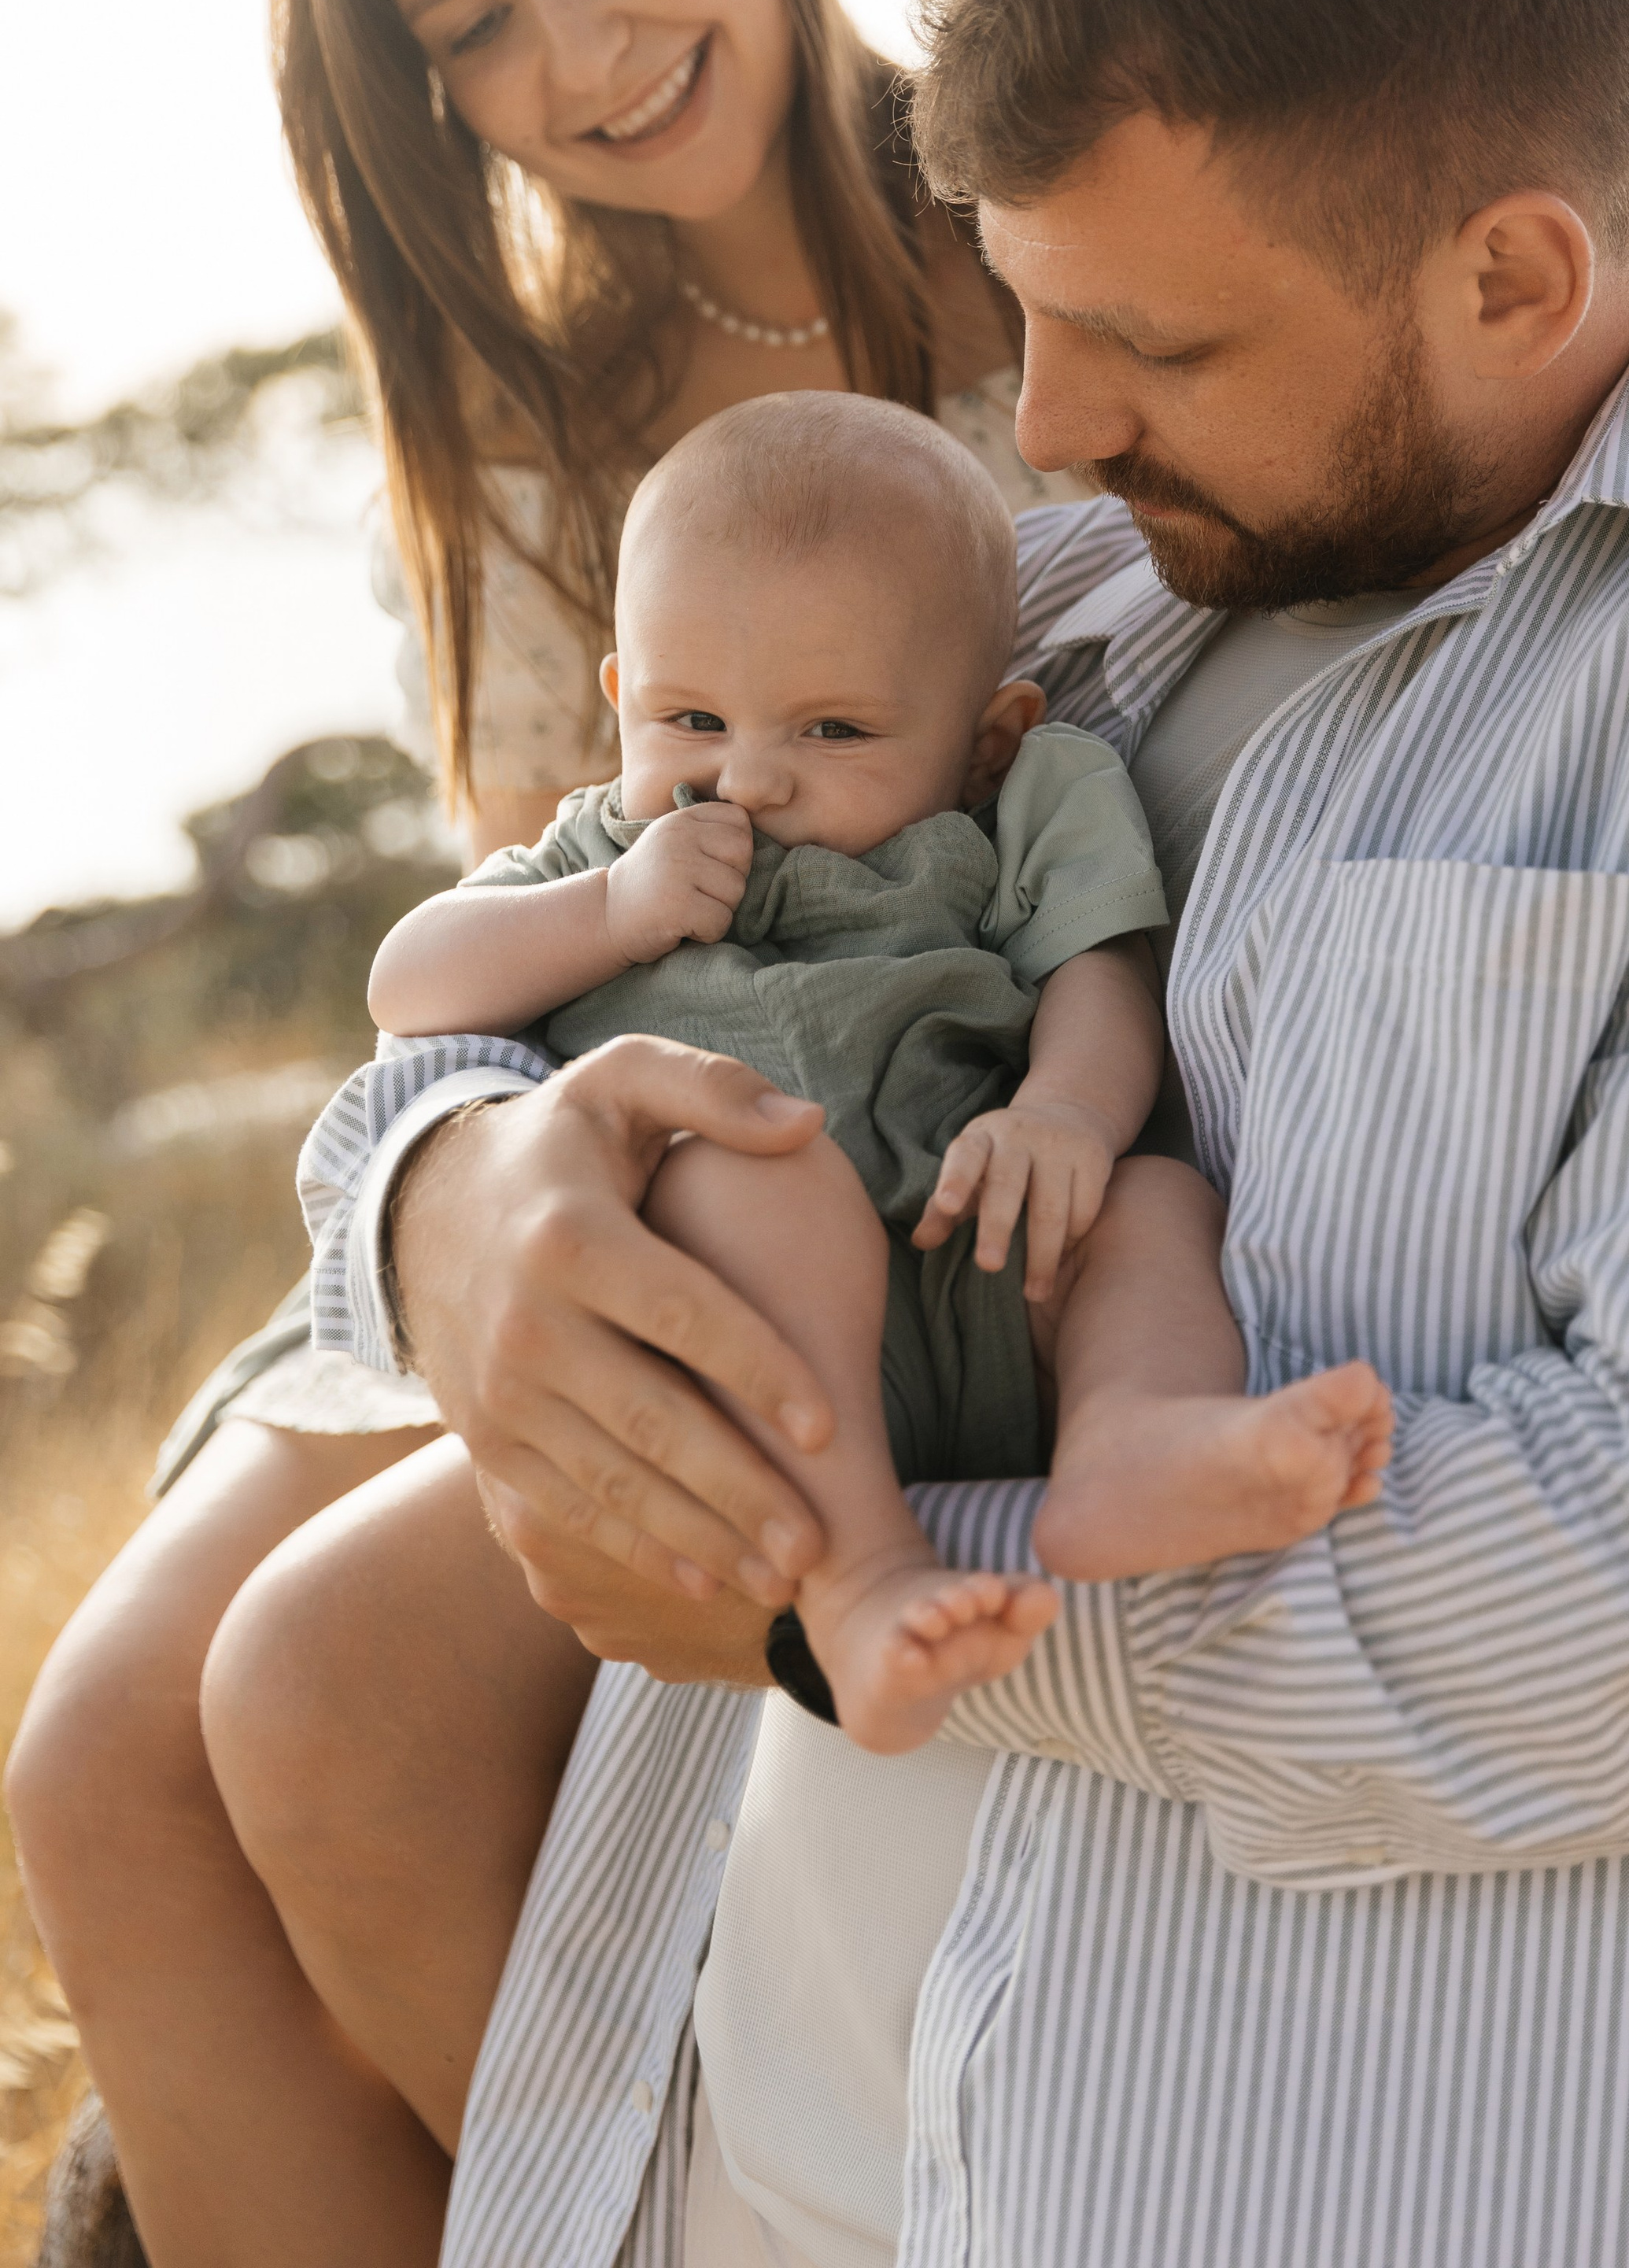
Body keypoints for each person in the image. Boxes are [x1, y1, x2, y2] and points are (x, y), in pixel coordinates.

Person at [210, 0, 1629, 2268]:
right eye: (1030, 321)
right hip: (724, 2161)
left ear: (1509, 271)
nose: (1044, 426)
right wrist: (455, 1222)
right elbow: (531, 987)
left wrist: (831, 1582)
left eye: (1148, 348)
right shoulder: (1055, 600)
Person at [6, 0, 1074, 2267]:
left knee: (313, 1712)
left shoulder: (1066, 208)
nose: (582, 56)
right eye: (472, 25)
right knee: (93, 1760)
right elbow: (511, 947)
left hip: (880, 1125)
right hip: (559, 1130)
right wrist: (470, 1198)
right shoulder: (506, 431)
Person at [371, 392, 1393, 1745]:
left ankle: (1129, 1438)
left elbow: (1106, 971)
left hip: (987, 1251)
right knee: (744, 1176)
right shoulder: (601, 850)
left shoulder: (1028, 799)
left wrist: (1066, 1117)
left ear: (986, 736)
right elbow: (411, 983)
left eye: (832, 732)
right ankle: (860, 1582)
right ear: (619, 695)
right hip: (754, 1337)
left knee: (1151, 1209)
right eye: (689, 717)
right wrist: (611, 912)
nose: (749, 779)